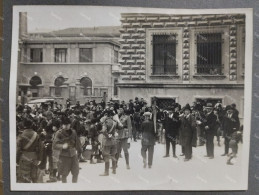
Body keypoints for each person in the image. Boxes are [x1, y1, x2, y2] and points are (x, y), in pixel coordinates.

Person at [52, 116, 81, 183]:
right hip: (64, 156)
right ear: (62, 125)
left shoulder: (73, 132)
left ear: (70, 124)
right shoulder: (59, 133)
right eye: (64, 124)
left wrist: (79, 153)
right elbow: (54, 145)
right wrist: (62, 146)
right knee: (64, 174)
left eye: (68, 124)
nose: (66, 126)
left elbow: (77, 143)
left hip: (73, 155)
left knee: (76, 172)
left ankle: (74, 188)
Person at [17, 118, 44, 183]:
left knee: (24, 178)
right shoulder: (36, 135)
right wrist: (40, 159)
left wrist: (17, 159)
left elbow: (18, 149)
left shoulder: (21, 135)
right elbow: (41, 148)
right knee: (34, 177)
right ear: (32, 125)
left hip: (24, 157)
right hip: (35, 157)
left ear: (23, 125)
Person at [99, 111, 118, 176]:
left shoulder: (106, 122)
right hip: (113, 140)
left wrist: (107, 136)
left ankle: (106, 172)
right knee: (113, 155)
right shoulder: (115, 122)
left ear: (107, 115)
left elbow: (104, 131)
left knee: (106, 156)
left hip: (107, 141)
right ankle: (114, 170)